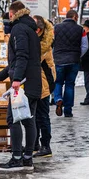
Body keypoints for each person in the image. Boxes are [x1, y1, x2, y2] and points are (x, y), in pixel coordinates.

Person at [0, 1, 42, 170]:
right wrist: (0, 77)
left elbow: (21, 56)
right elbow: (18, 60)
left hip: (23, 84)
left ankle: (17, 157)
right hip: (33, 81)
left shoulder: (18, 30)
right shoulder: (31, 30)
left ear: (12, 14)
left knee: (13, 119)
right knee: (29, 120)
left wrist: (16, 79)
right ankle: (27, 158)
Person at [52, 10, 88, 118]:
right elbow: (85, 46)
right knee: (70, 85)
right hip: (73, 61)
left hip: (59, 61)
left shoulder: (56, 28)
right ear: (75, 17)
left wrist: (55, 55)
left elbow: (52, 43)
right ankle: (68, 110)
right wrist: (77, 55)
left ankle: (58, 99)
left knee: (57, 82)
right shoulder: (81, 29)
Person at [33, 15, 55, 158]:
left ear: (39, 30)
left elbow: (33, 59)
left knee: (42, 116)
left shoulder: (43, 45)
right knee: (33, 116)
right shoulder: (37, 40)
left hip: (44, 81)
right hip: (37, 81)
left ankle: (46, 146)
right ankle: (34, 144)